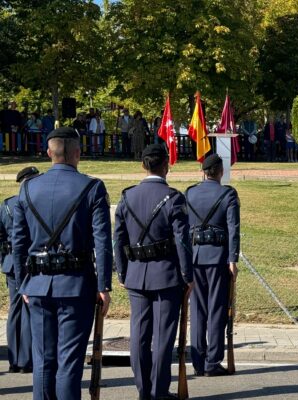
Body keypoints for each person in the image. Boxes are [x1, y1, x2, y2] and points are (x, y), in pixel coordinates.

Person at [12, 127, 113, 399]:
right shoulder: (92, 187)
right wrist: (104, 285)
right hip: (76, 284)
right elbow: (103, 241)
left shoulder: (29, 187)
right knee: (69, 363)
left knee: (43, 361)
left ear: (48, 153)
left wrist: (23, 284)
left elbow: (18, 242)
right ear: (78, 153)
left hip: (37, 285)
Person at [114, 144, 194, 400]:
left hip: (136, 274)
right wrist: (187, 275)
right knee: (162, 337)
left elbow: (118, 239)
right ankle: (159, 391)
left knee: (139, 335)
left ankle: (143, 390)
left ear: (143, 166)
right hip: (167, 275)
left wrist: (122, 273)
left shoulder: (127, 197)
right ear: (166, 165)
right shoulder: (174, 198)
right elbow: (182, 241)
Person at [184, 155, 240, 377]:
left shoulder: (189, 193)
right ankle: (212, 362)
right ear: (220, 172)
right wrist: (233, 259)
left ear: (203, 171)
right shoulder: (228, 194)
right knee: (217, 310)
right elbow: (233, 229)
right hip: (218, 259)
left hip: (195, 258)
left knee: (198, 311)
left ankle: (198, 360)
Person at [2, 166, 39, 374]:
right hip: (30, 263)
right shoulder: (33, 202)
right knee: (29, 311)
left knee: (14, 311)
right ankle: (26, 360)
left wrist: (4, 260)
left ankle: (14, 359)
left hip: (11, 264)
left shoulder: (6, 204)